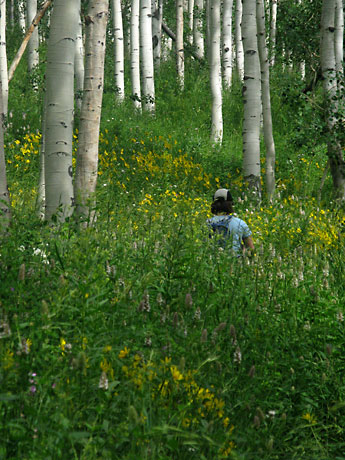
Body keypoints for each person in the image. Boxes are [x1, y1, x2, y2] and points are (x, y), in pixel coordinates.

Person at [207, 188, 254, 256]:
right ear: (230, 204)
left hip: (211, 263)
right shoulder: (240, 223)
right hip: (234, 262)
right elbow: (250, 248)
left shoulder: (207, 223)